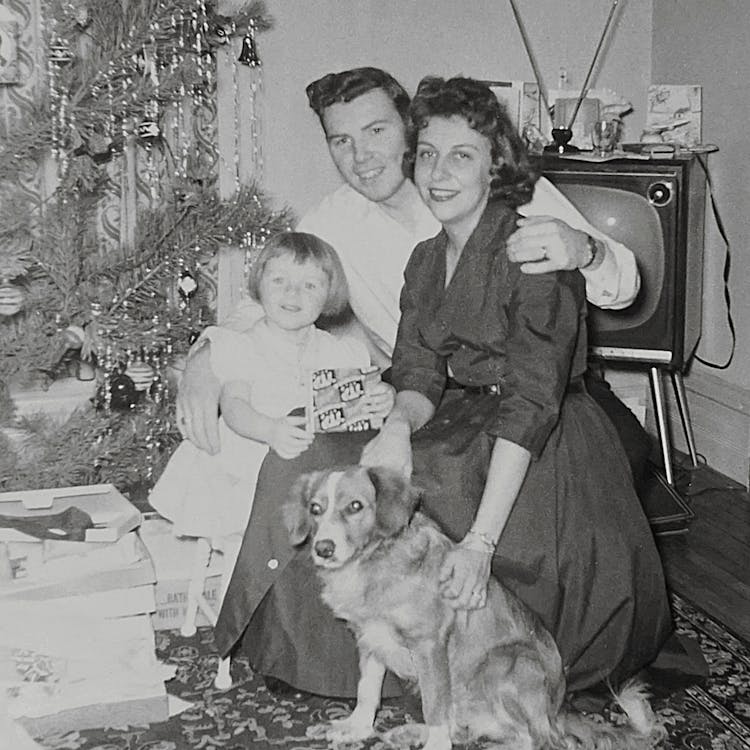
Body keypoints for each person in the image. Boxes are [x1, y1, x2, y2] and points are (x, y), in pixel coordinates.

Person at [212, 76, 705, 703]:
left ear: (494, 165)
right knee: (333, 470)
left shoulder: (532, 241)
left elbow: (533, 400)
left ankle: (470, 657)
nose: (439, 172)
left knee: (443, 507)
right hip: (456, 410)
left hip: (541, 429)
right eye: (429, 155)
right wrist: (393, 430)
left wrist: (478, 545)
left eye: (462, 156)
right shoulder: (422, 256)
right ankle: (338, 652)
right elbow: (416, 372)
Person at [176, 67, 650, 488]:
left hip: (539, 394)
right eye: (341, 141)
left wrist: (586, 250)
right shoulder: (332, 220)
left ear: (409, 129)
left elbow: (625, 285)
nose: (360, 156)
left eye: (376, 130)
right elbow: (264, 301)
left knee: (615, 466)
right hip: (418, 398)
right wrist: (207, 358)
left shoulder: (500, 187)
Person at [149, 231, 394, 542]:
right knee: (245, 545)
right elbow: (235, 405)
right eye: (279, 281)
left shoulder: (340, 351)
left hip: (310, 470)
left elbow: (354, 403)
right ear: (259, 285)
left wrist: (381, 398)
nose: (293, 293)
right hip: (247, 464)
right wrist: (269, 430)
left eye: (310, 285)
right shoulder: (244, 345)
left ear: (329, 293)